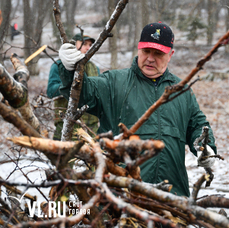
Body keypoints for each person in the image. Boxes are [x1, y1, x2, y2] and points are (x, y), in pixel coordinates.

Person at [57, 22, 217, 197]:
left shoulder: (182, 91)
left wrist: (206, 149)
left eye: (158, 53)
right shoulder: (114, 82)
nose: (150, 58)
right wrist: (70, 69)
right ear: (138, 49)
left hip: (173, 195)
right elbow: (83, 92)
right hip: (120, 195)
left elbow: (197, 126)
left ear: (170, 54)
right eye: (146, 51)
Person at [47, 33, 100, 140]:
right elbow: (51, 91)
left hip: (91, 128)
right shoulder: (59, 65)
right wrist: (67, 86)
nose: (88, 48)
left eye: (90, 45)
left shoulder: (94, 67)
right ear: (74, 45)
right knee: (64, 156)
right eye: (84, 44)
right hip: (66, 128)